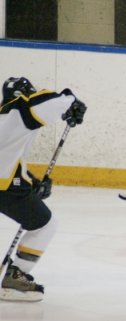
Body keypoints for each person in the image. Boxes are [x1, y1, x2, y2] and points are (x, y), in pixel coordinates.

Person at [0, 77, 87, 301]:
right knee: (44, 224)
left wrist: (32, 182)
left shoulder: (5, 117)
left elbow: (10, 158)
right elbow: (42, 102)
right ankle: (16, 276)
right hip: (4, 188)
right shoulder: (19, 111)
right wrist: (71, 101)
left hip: (8, 183)